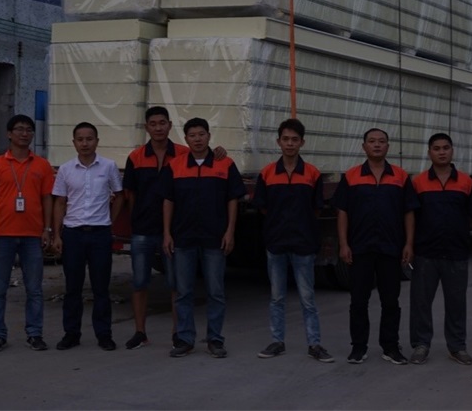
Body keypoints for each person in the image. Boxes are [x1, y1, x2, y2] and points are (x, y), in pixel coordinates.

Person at [333, 128, 419, 365]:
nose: (377, 145)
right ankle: (358, 347)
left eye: (382, 141)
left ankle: (390, 346)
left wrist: (409, 243)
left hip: (390, 249)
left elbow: (409, 212)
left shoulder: (400, 176)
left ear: (388, 147)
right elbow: (342, 212)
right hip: (360, 248)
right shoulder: (351, 176)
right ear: (364, 147)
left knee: (390, 301)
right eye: (372, 141)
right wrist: (343, 244)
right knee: (358, 301)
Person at [161, 117, 246, 359]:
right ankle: (185, 339)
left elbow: (233, 200)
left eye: (201, 134)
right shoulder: (175, 165)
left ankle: (215, 340)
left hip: (214, 238)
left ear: (209, 136)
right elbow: (168, 200)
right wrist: (167, 233)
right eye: (192, 135)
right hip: (183, 237)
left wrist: (230, 231)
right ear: (186, 139)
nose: (197, 139)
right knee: (183, 292)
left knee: (216, 292)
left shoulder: (224, 164)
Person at [251, 118, 334, 363]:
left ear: (302, 143)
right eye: (285, 139)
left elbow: (316, 209)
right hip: (276, 243)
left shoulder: (312, 173)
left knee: (307, 298)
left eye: (294, 139)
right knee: (276, 297)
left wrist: (301, 226)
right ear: (278, 142)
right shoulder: (267, 173)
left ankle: (314, 344)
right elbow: (262, 207)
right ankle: (277, 341)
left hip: (303, 244)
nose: (290, 143)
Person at [0, 114, 55, 352]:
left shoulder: (42, 165)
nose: (24, 133)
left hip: (33, 236)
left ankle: (35, 334)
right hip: (3, 235)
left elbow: (47, 199)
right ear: (9, 134)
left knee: (35, 289)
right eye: (19, 129)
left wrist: (47, 229)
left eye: (29, 129)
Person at [51, 122, 124, 351]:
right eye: (80, 139)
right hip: (73, 234)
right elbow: (60, 202)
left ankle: (104, 335)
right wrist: (57, 234)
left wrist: (110, 220)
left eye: (89, 139)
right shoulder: (65, 169)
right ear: (73, 143)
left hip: (100, 234)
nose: (85, 143)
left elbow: (120, 195)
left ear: (97, 141)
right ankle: (71, 334)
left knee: (101, 288)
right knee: (73, 288)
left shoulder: (109, 166)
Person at [122, 106, 189, 350]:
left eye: (162, 123)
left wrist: (220, 152)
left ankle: (177, 333)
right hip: (143, 230)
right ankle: (140, 332)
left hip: (175, 231)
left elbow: (208, 162)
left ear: (170, 125)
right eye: (153, 124)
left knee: (176, 284)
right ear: (146, 127)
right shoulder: (136, 157)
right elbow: (129, 193)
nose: (158, 128)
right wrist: (138, 219)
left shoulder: (184, 154)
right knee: (140, 282)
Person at [409, 133, 472, 366]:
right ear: (429, 152)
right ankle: (421, 344)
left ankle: (457, 347)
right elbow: (411, 217)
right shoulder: (418, 182)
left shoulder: (466, 182)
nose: (441, 152)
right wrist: (409, 245)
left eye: (445, 148)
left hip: (456, 252)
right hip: (425, 252)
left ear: (452, 151)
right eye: (436, 148)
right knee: (420, 302)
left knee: (456, 302)